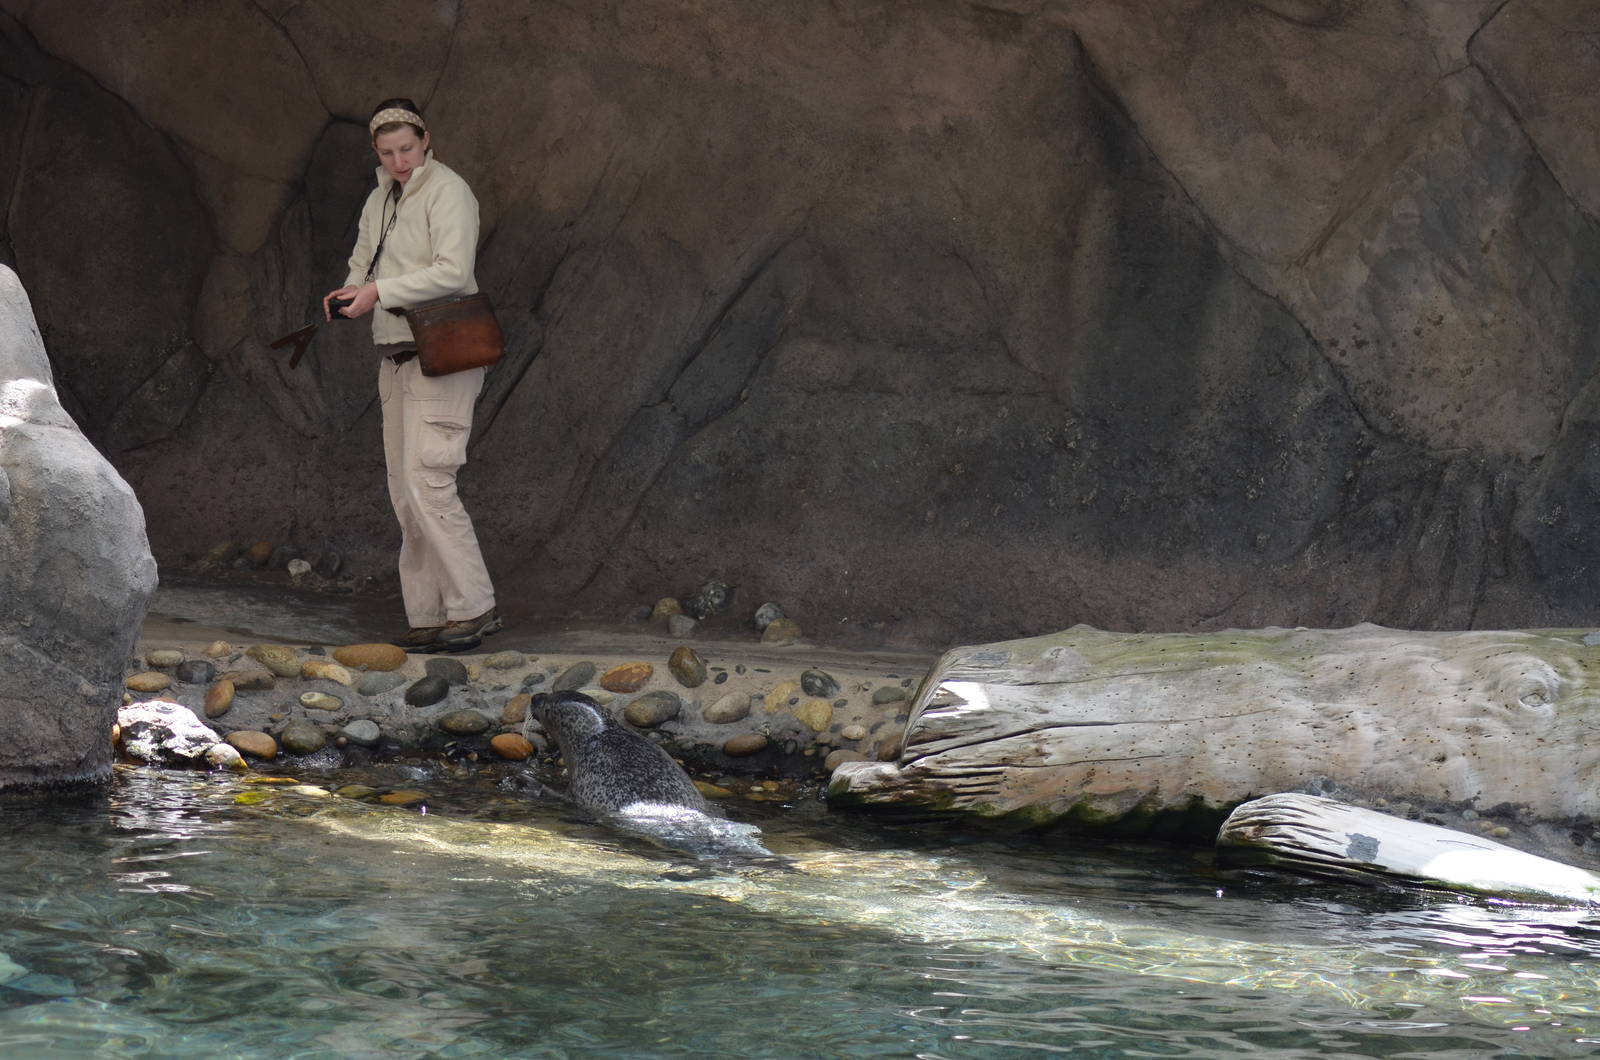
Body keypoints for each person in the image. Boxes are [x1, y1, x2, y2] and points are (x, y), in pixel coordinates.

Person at [324, 98, 500, 653]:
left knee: (430, 479)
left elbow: (454, 271)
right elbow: (363, 264)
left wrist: (378, 292)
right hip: (396, 353)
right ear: (377, 153)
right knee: (405, 491)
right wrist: (352, 293)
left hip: (443, 354)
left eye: (407, 148)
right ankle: (428, 615)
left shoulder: (448, 190)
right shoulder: (381, 198)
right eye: (387, 152)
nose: (400, 160)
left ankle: (475, 608)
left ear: (425, 139)